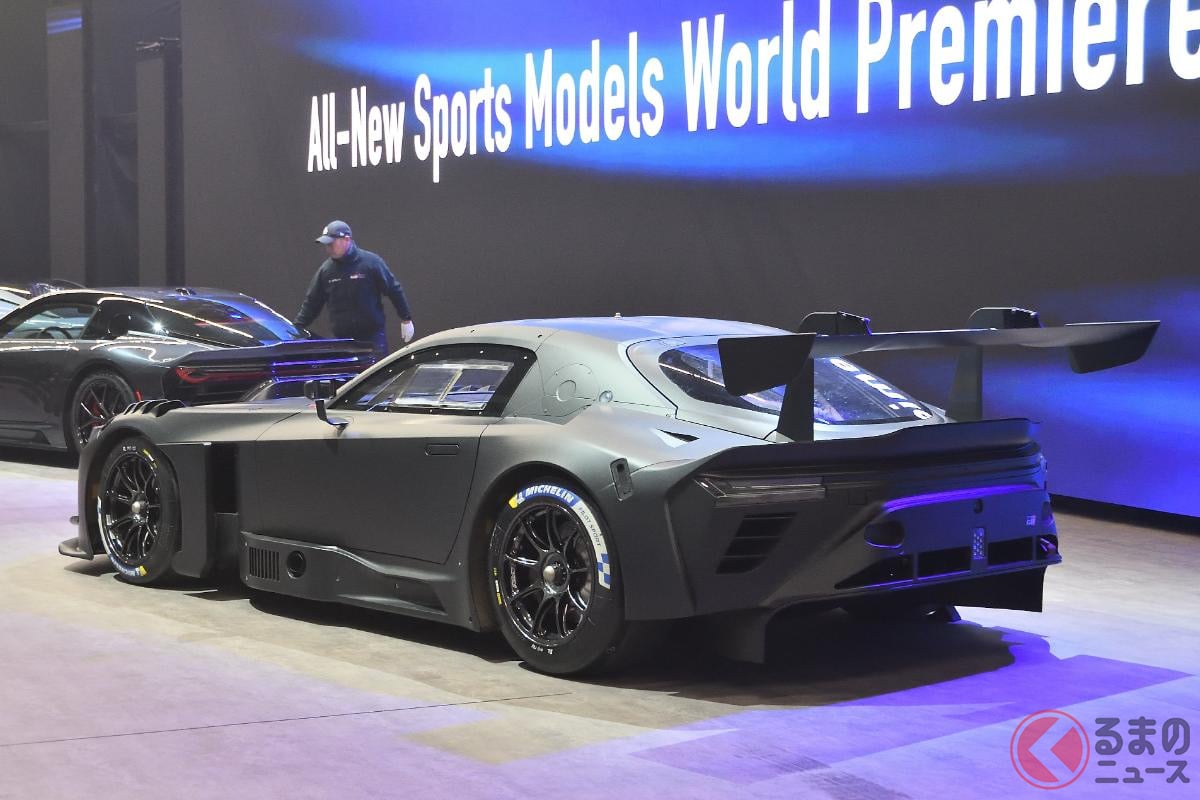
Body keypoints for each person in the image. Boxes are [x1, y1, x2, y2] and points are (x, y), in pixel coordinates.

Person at [293, 220, 414, 360]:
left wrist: (406, 318)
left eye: (331, 243)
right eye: (326, 245)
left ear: (347, 239)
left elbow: (394, 289)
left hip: (372, 340)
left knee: (377, 373)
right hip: (342, 342)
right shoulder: (326, 271)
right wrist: (294, 330)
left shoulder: (370, 263)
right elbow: (311, 304)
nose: (328, 248)